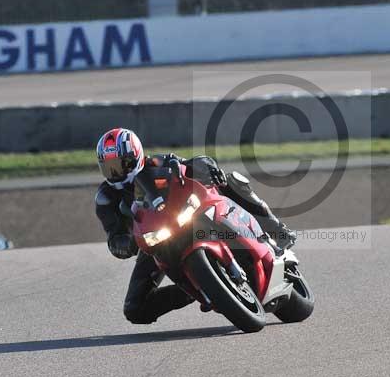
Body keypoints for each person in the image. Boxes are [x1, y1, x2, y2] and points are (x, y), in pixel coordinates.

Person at [94, 127, 296, 325]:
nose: (115, 172)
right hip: (154, 239)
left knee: (230, 180)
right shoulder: (106, 198)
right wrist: (123, 244)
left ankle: (275, 228)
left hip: (187, 213)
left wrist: (206, 165)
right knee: (135, 310)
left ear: (135, 156)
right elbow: (114, 235)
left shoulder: (157, 162)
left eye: (120, 164)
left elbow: (189, 163)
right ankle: (198, 289)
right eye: (109, 167)